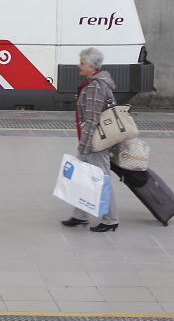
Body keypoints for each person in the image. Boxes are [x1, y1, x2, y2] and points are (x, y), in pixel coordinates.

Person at [61, 47, 119, 232]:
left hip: (95, 142)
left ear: (92, 65)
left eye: (82, 63)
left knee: (101, 179)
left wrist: (85, 147)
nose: (79, 66)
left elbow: (92, 118)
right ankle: (80, 215)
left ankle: (111, 220)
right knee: (81, 177)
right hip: (90, 139)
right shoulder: (96, 82)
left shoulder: (95, 86)